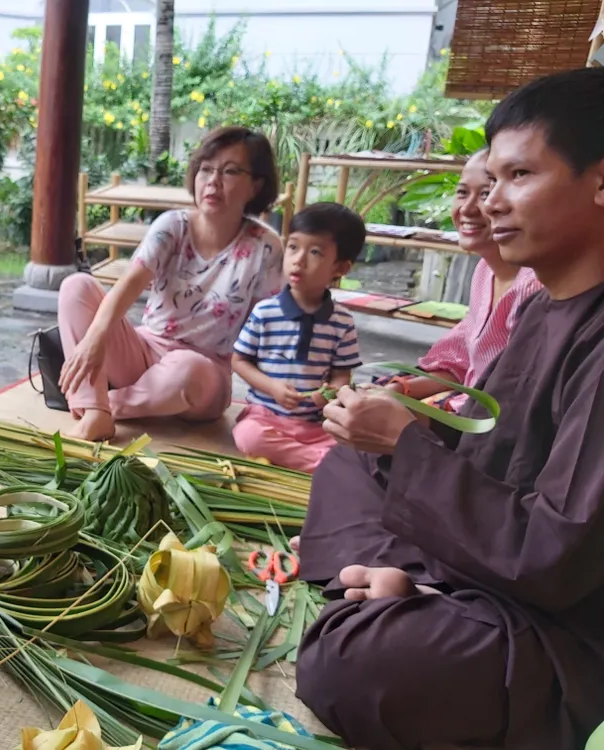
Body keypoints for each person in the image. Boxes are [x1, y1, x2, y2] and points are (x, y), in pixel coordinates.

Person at [292, 67, 604, 749]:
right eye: (489, 181)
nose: (491, 203)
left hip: (560, 627)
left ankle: (398, 593)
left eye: (518, 176)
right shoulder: (543, 303)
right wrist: (419, 426)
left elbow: (555, 555)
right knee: (349, 462)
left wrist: (409, 446)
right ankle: (403, 588)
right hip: (488, 560)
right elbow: (498, 451)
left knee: (352, 663)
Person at [58, 126, 284, 442]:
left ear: (256, 185)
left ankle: (108, 404)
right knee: (76, 286)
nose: (213, 181)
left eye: (230, 171)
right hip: (145, 349)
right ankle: (94, 414)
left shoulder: (267, 247)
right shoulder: (173, 226)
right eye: (206, 169)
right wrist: (95, 338)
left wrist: (277, 397)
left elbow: (268, 328)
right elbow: (130, 284)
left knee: (186, 368)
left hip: (205, 374)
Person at [381, 148, 542, 411]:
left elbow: (508, 399)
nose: (468, 208)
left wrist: (414, 417)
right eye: (462, 192)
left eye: (486, 194)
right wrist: (400, 389)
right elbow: (460, 360)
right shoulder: (483, 271)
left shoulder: (534, 288)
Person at [231, 203, 364, 473]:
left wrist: (328, 394)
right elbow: (239, 361)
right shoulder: (265, 312)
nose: (298, 260)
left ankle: (310, 459)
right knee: (249, 435)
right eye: (293, 247)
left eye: (315, 252)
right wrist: (272, 388)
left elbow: (341, 375)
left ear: (340, 267)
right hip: (266, 417)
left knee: (353, 444)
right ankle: (318, 465)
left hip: (315, 425)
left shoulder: (342, 322)